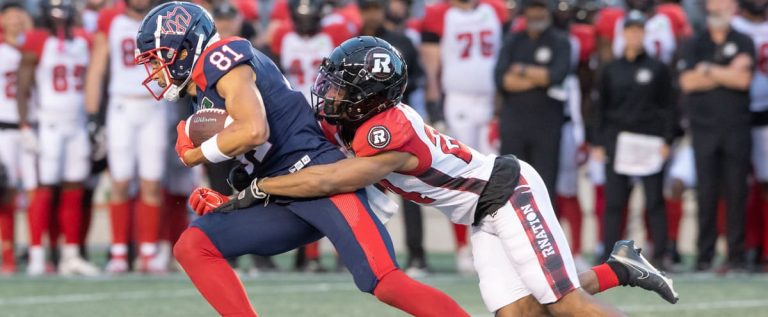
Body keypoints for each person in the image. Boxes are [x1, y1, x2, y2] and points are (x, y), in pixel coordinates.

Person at [198, 36, 679, 316]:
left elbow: (330, 180)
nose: (330, 93)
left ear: (370, 96)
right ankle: (620, 267)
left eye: (343, 87)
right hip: (479, 215)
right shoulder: (349, 120)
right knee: (523, 314)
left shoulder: (391, 130)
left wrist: (258, 188)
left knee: (566, 305)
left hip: (508, 195)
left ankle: (614, 271)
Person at [135, 3, 468, 316]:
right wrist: (236, 196)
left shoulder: (222, 57)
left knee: (384, 282)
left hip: (319, 180)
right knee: (193, 246)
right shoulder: (203, 88)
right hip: (283, 191)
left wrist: (195, 153)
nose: (155, 70)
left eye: (157, 58)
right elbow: (261, 152)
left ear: (185, 48)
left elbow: (254, 131)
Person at [421, 0, 508, 275]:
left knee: (495, 173)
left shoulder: (495, 9)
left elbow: (503, 55)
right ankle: (462, 247)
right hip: (457, 99)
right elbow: (431, 60)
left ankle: (499, 244)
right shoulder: (439, 13)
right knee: (460, 175)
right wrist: (434, 101)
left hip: (488, 99)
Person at [16, 0, 100, 276]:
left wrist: (93, 120)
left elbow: (92, 79)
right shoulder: (38, 40)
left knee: (74, 185)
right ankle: (38, 253)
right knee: (44, 187)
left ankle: (71, 254)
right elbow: (23, 83)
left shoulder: (82, 42)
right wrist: (25, 124)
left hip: (75, 123)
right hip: (48, 123)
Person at [85, 0, 168, 274]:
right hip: (121, 106)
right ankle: (119, 252)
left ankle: (147, 252)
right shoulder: (111, 19)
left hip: (155, 105)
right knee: (119, 181)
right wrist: (92, 115)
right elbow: (97, 68)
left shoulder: (164, 18)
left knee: (152, 182)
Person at [592, 10, 676, 264]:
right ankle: (611, 253)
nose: (634, 36)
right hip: (618, 141)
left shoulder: (657, 68)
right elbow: (599, 108)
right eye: (630, 31)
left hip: (649, 141)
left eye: (639, 31)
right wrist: (597, 141)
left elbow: (669, 106)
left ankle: (660, 254)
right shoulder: (611, 70)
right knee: (615, 202)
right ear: (623, 34)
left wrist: (667, 140)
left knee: (654, 201)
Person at [679, 0, 754, 272]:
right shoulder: (694, 43)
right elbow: (687, 82)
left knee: (737, 192)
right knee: (706, 193)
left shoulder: (743, 41)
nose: (716, 12)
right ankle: (704, 254)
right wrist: (728, 71)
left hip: (736, 128)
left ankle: (736, 255)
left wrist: (708, 70)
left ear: (732, 9)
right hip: (704, 129)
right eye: (712, 8)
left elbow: (743, 81)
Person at [357, 0, 429, 275]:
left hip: (398, 124)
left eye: (375, 8)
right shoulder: (354, 44)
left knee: (412, 190)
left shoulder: (402, 41)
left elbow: (417, 79)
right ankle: (370, 256)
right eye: (367, 9)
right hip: (364, 125)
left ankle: (417, 254)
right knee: (368, 193)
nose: (371, 14)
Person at [495, 0, 570, 206]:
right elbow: (501, 80)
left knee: (545, 184)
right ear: (525, 12)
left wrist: (520, 70)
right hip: (514, 123)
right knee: (511, 183)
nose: (536, 14)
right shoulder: (512, 41)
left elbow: (555, 76)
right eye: (532, 9)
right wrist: (538, 79)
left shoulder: (560, 41)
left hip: (547, 124)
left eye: (541, 9)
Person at [731, 0, 768, 269]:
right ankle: (742, 248)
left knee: (765, 184)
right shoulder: (730, 26)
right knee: (734, 185)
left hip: (765, 112)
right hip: (732, 113)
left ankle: (764, 248)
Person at [0, 0, 32, 275]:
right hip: (5, 126)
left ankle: (36, 252)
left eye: (19, 16)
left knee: (35, 190)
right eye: (10, 16)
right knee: (6, 191)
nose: (15, 21)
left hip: (32, 126)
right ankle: (7, 253)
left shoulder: (33, 47)